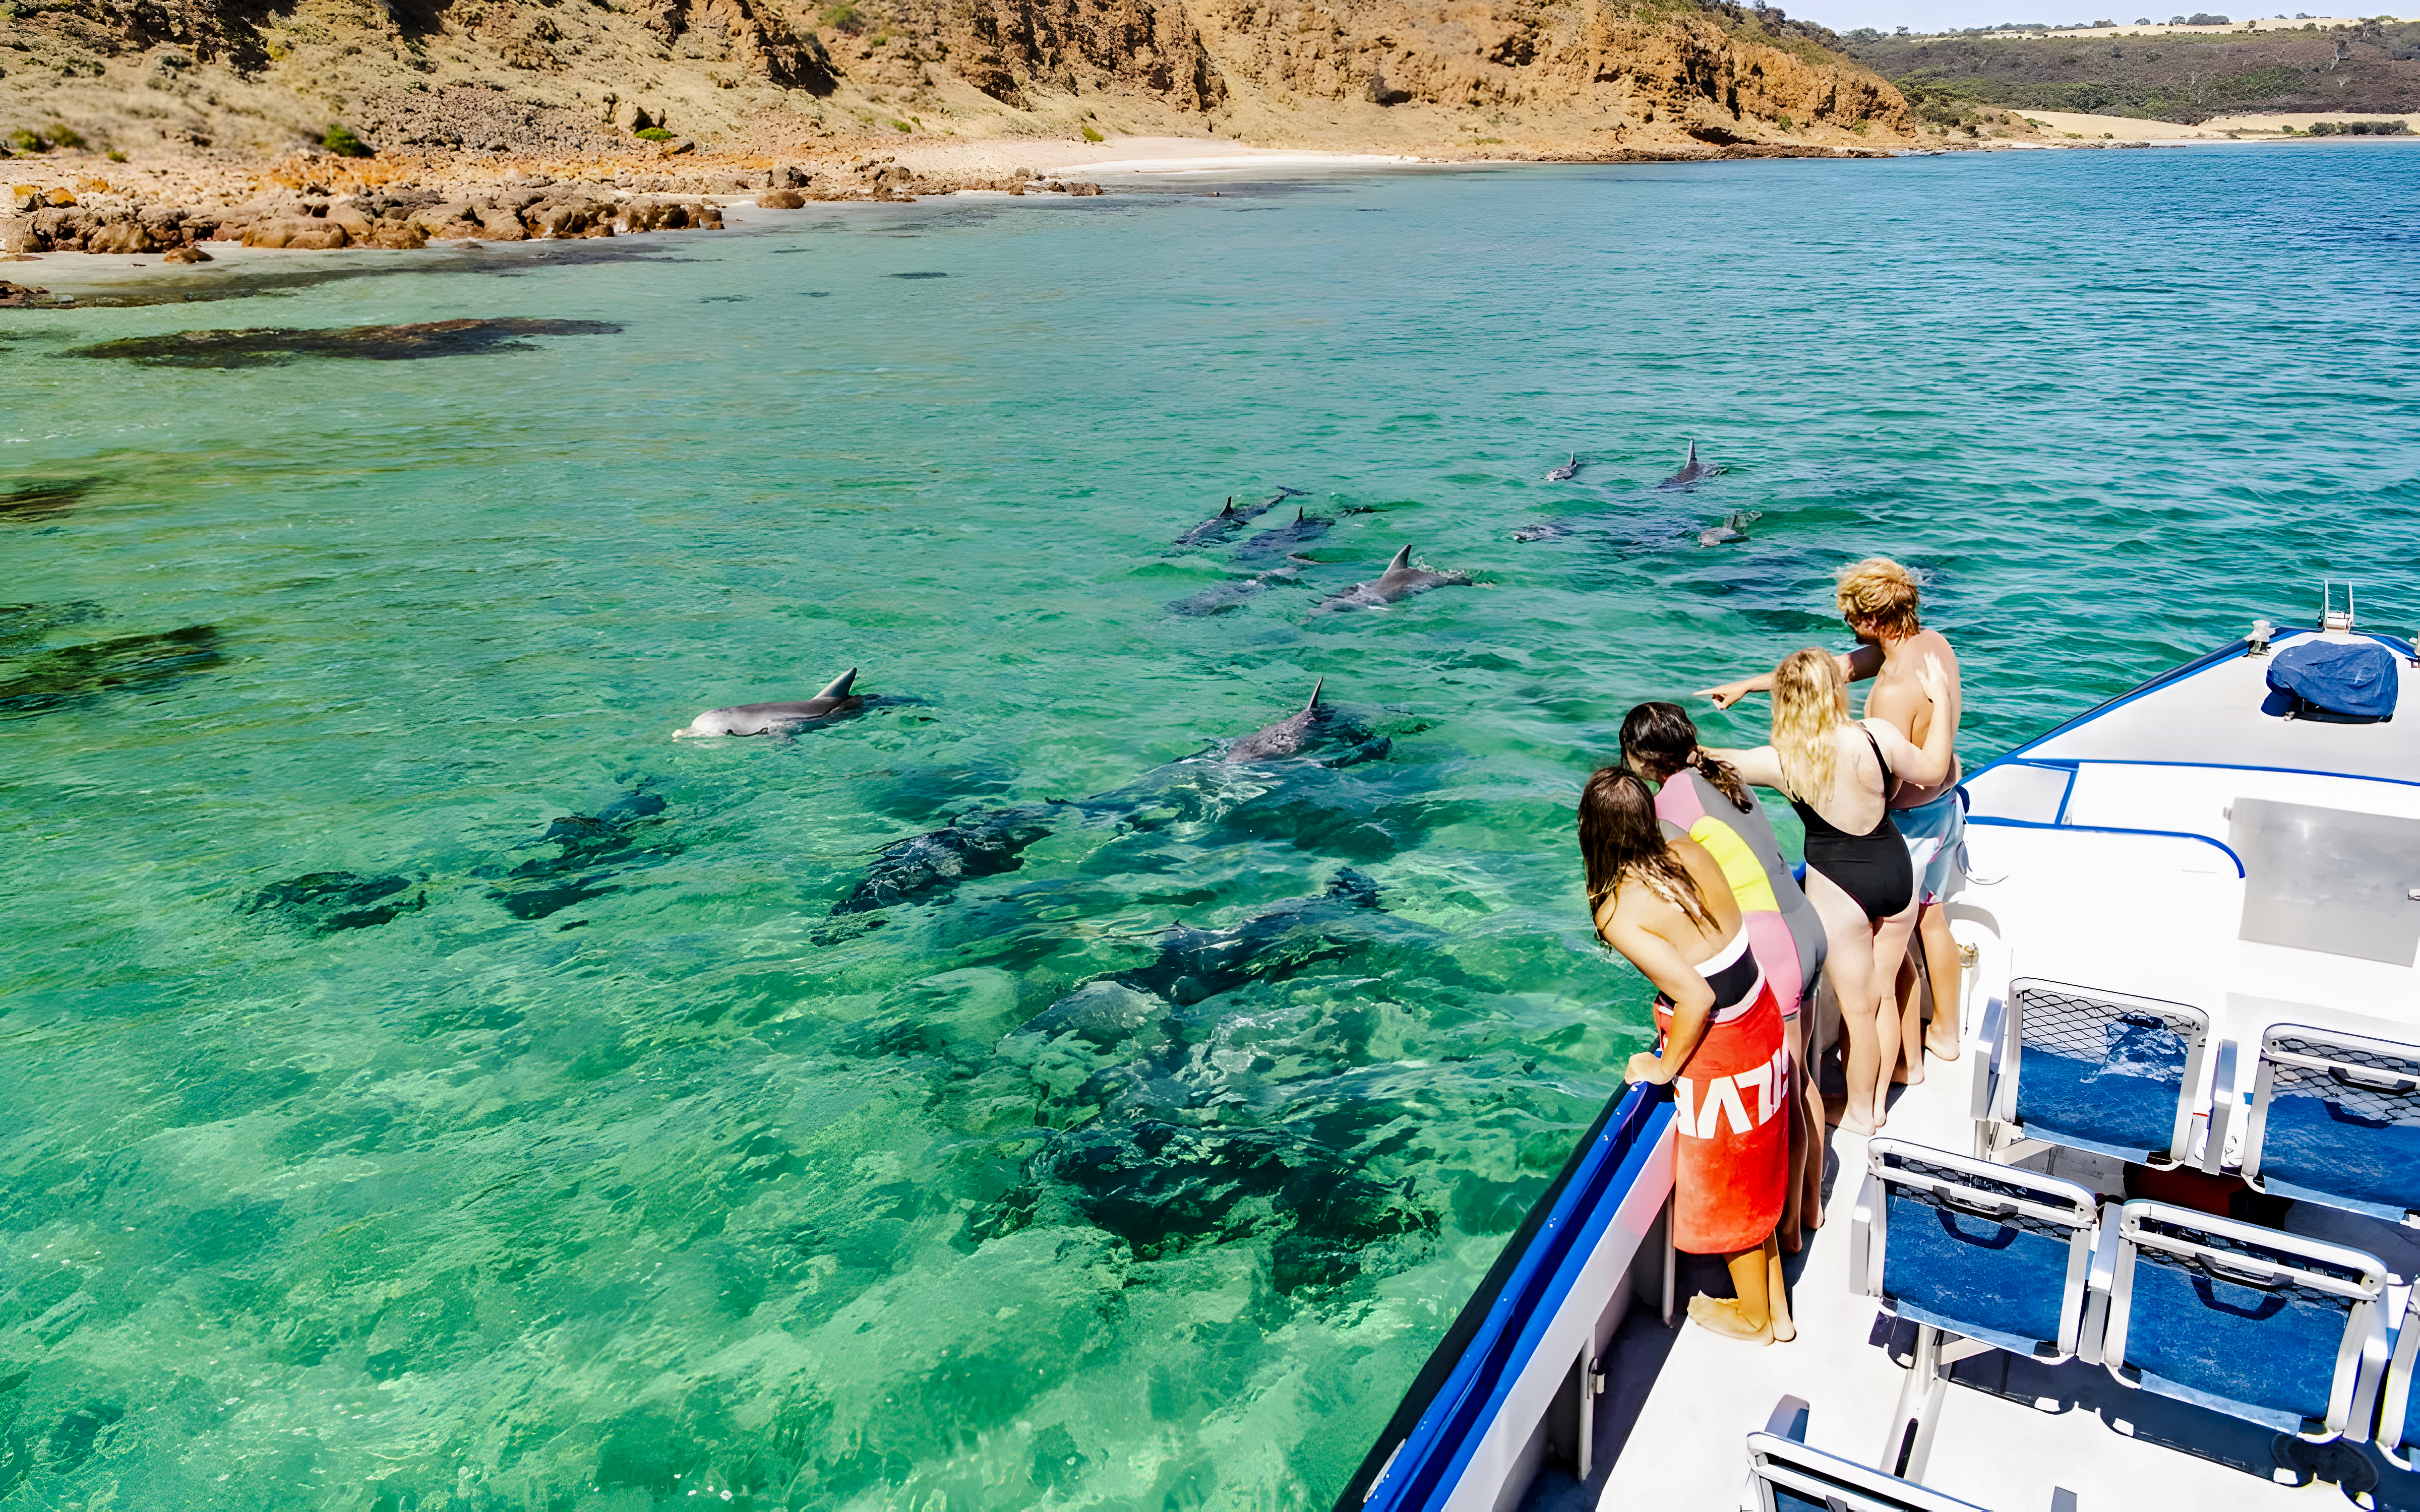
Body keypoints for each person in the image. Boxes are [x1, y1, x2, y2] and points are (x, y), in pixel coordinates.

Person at [1700, 559, 1966, 1079]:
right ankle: (1945, 1033)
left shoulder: (1890, 694)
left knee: (1879, 975)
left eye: (1849, 616)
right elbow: (1835, 670)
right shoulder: (1929, 644)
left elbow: (1880, 780)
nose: (1845, 624)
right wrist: (1750, 686)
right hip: (1947, 807)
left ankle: (1892, 1073)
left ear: (1869, 620)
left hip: (1908, 825)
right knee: (1932, 921)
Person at [1581, 766, 1791, 1344]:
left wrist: (1663, 1066)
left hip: (1723, 1045)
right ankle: (1776, 1308)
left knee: (1730, 1184)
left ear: (1590, 832)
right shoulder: (1685, 846)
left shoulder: (1617, 908)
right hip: (1761, 1013)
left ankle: (1755, 1320)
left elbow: (1695, 995)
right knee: (1758, 1165)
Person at [1621, 702, 1829, 1247]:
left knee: (1782, 1097)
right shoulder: (1722, 773)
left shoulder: (1668, 806)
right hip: (1805, 924)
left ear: (1640, 758)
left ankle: (1787, 1227)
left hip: (1772, 948)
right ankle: (1808, 1210)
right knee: (1801, 1080)